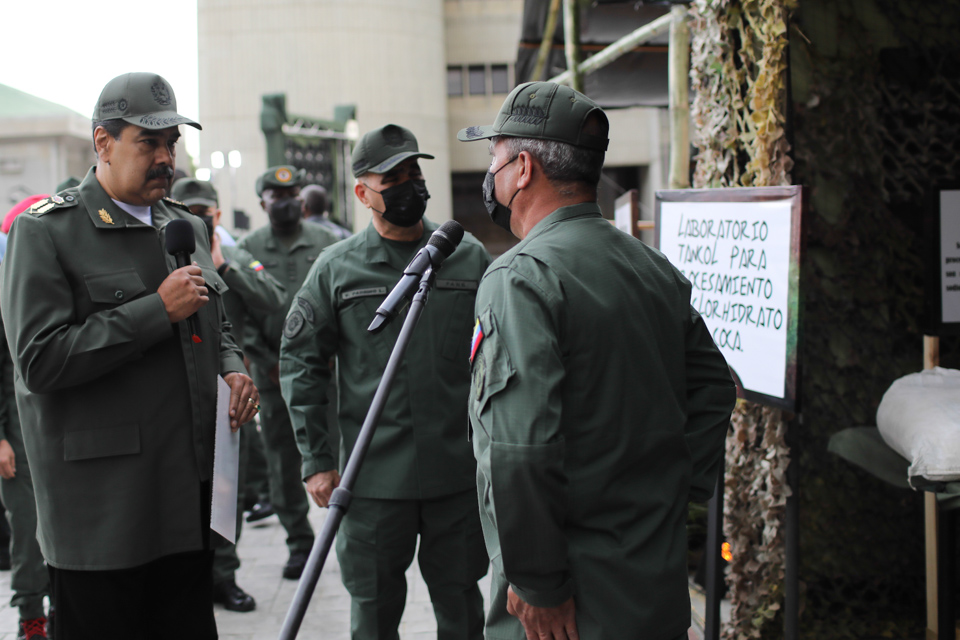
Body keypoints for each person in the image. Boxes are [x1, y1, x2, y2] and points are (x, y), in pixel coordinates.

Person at [457, 81, 737, 640]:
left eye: (494, 155)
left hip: (566, 603)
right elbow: (715, 388)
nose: (490, 174)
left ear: (523, 167)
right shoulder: (652, 268)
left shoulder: (519, 277)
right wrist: (671, 498)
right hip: (649, 581)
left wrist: (538, 584)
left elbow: (520, 448)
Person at [0, 72, 260, 639]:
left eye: (172, 143)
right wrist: (152, 313)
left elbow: (218, 327)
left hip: (187, 511)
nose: (166, 158)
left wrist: (235, 371)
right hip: (104, 522)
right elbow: (39, 361)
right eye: (149, 143)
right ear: (103, 143)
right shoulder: (47, 232)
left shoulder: (184, 225)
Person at [280, 124, 491, 640]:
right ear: (362, 192)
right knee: (373, 615)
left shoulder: (467, 257)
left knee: (462, 610)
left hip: (456, 477)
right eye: (392, 178)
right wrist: (317, 461)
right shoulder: (337, 268)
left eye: (414, 174)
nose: (409, 186)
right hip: (372, 482)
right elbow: (301, 363)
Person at [170, 177, 287, 612]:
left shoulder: (238, 256)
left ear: (218, 216)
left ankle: (225, 575)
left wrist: (225, 268)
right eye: (191, 210)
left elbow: (275, 299)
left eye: (206, 212)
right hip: (180, 394)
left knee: (228, 493)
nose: (199, 219)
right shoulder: (162, 255)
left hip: (230, 392)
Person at [238, 166, 340, 579]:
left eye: (292, 193)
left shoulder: (326, 242)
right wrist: (266, 362)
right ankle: (300, 543)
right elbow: (240, 316)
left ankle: (346, 535)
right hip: (273, 376)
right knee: (282, 462)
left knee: (337, 453)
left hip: (325, 373)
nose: (285, 201)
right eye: (275, 195)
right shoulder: (248, 248)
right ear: (262, 202)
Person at [0, 304, 50, 639]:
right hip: (17, 435)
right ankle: (31, 615)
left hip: (57, 426)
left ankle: (64, 608)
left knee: (70, 528)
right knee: (26, 526)